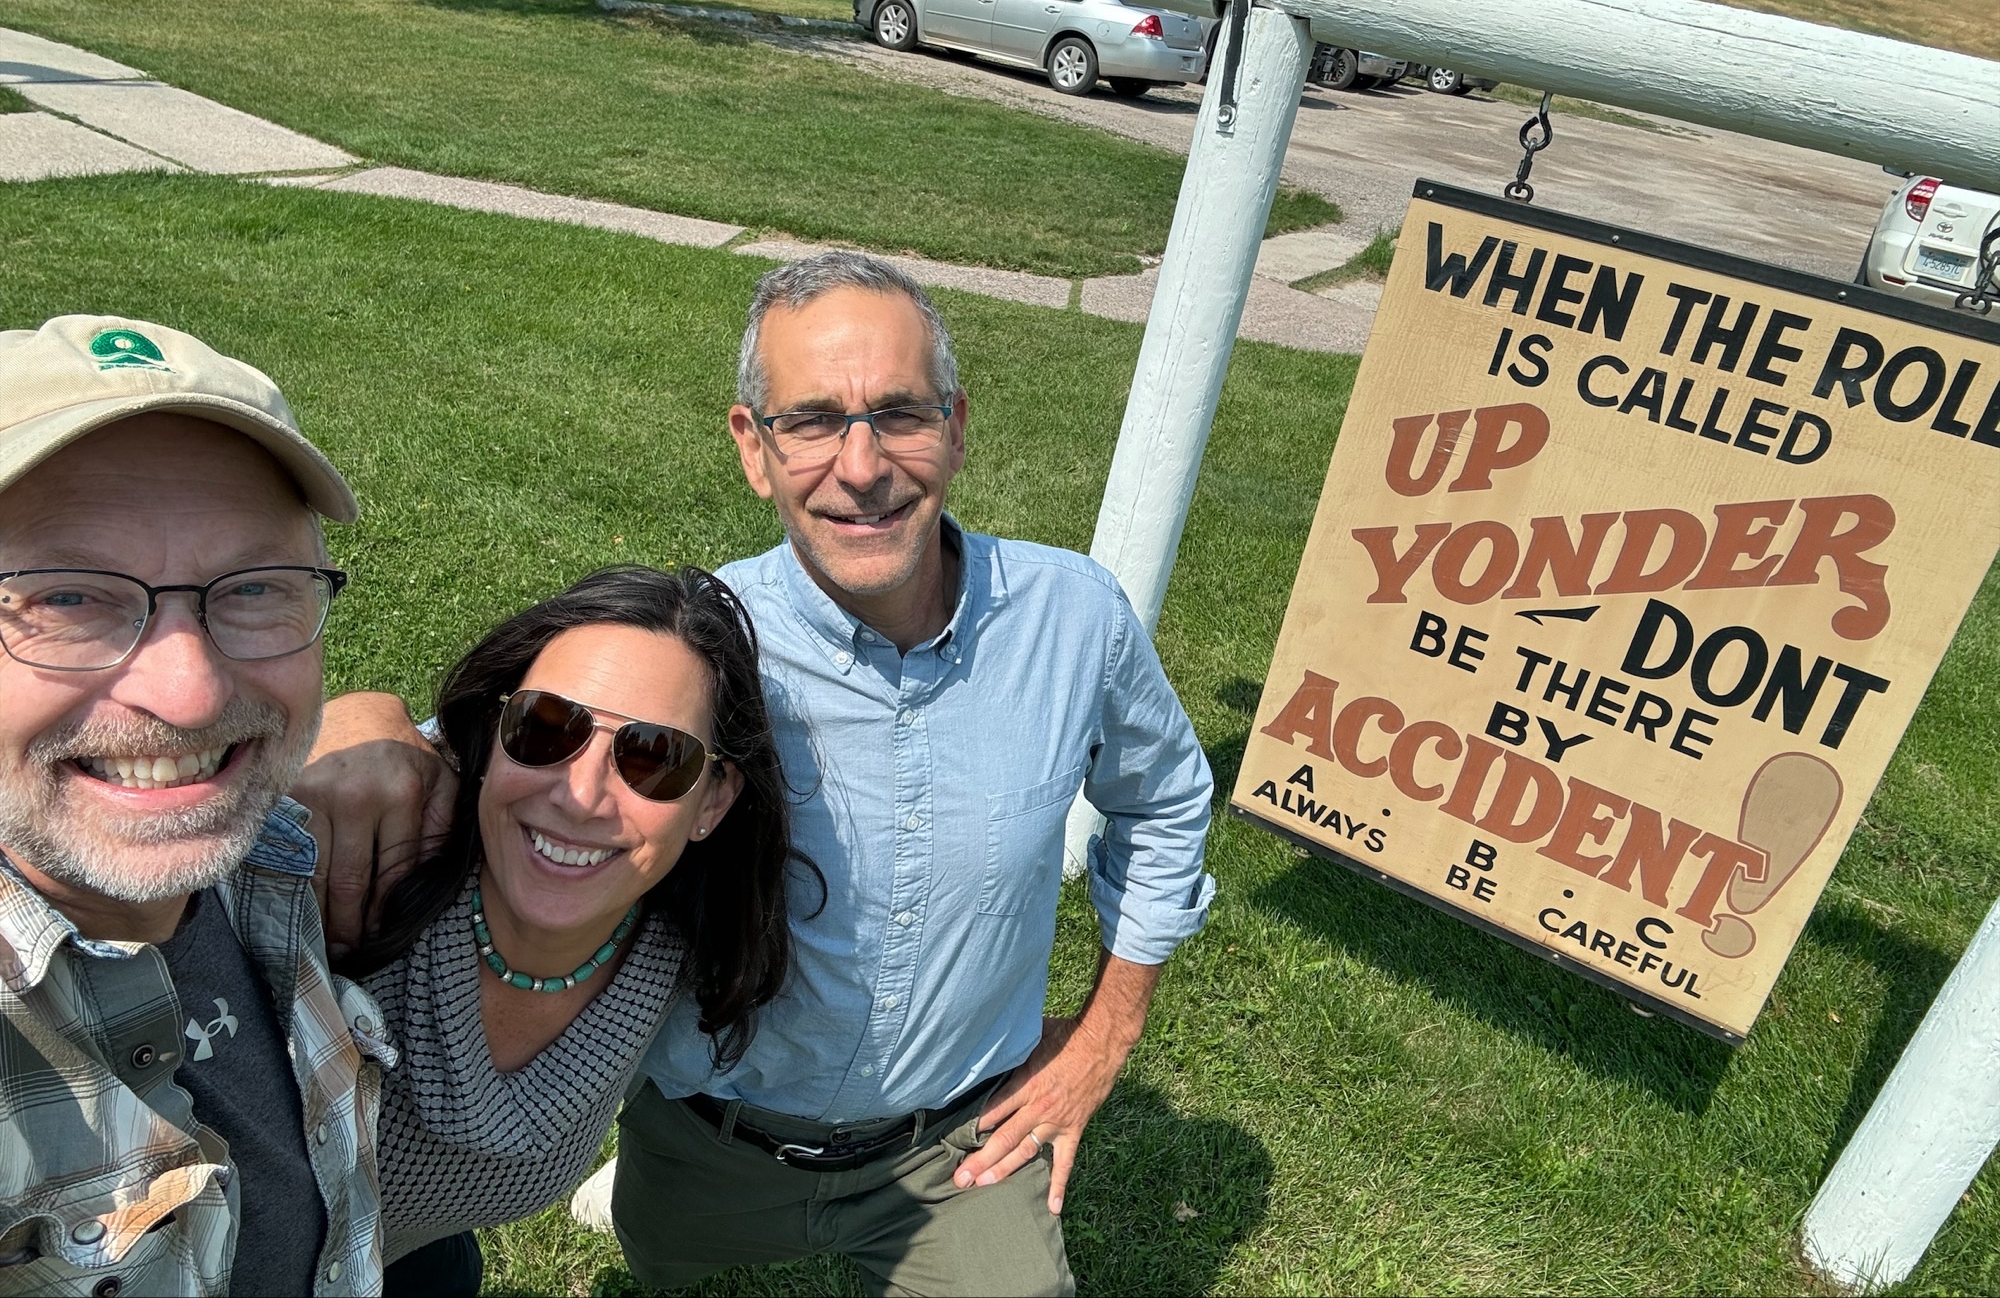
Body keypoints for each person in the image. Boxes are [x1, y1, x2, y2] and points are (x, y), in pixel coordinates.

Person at [304, 251, 1218, 1296]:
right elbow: (507, 752)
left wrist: (1104, 1035)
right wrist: (361, 724)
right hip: (705, 1140)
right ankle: (633, 1192)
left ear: (956, 426)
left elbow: (1165, 800)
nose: (862, 464)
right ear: (753, 446)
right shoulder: (704, 654)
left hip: (956, 1147)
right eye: (814, 420)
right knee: (664, 1264)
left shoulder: (1075, 618)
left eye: (900, 414)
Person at [0, 315, 384, 1296]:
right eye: (67, 596)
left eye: (253, 586)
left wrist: (384, 730)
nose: (192, 695)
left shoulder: (274, 853)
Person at [352, 564, 811, 1295]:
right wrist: (357, 719)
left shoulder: (676, 960)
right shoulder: (356, 873)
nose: (581, 793)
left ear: (713, 801)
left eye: (654, 756)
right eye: (545, 726)